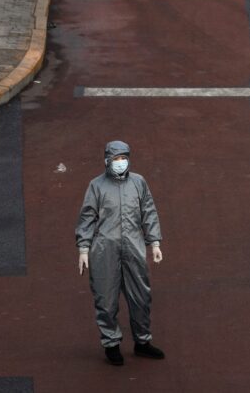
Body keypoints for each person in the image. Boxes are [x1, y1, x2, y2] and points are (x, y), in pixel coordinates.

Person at [75, 140, 165, 366]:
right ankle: (111, 344)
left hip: (134, 246)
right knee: (105, 299)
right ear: (107, 160)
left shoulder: (139, 182)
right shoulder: (96, 185)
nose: (120, 162)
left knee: (141, 297)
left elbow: (149, 211)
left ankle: (142, 342)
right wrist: (83, 249)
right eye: (115, 159)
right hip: (104, 249)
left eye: (123, 158)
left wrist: (154, 243)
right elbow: (87, 217)